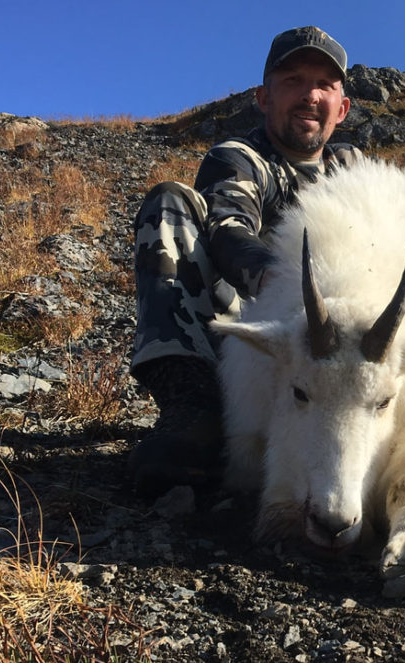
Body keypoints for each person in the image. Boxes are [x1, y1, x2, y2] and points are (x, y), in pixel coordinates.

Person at [128, 26, 363, 495]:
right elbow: (228, 227)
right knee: (172, 203)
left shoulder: (354, 167)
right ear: (263, 97)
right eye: (293, 80)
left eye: (324, 85)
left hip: (343, 352)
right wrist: (286, 288)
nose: (309, 95)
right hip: (249, 330)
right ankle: (195, 408)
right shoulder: (240, 157)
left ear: (343, 106)